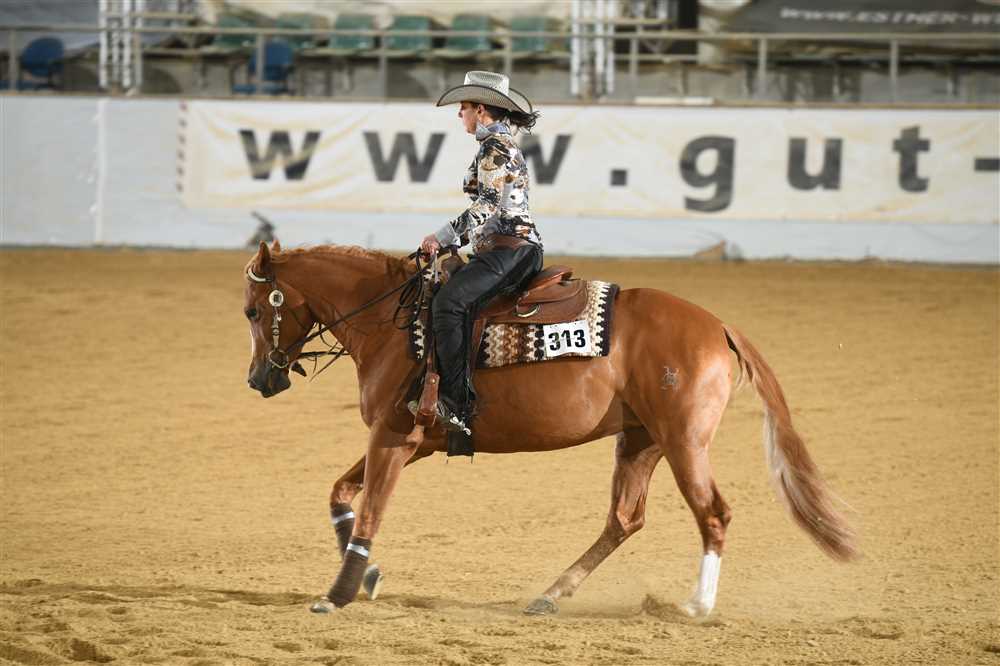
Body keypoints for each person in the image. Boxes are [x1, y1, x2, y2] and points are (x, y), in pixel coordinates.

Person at [419, 71, 544, 454]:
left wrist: (442, 237)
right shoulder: (495, 145)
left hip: (511, 250)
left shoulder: (495, 148)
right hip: (503, 248)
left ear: (481, 109)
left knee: (449, 304)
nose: (460, 114)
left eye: (464, 108)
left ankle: (455, 405)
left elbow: (487, 205)